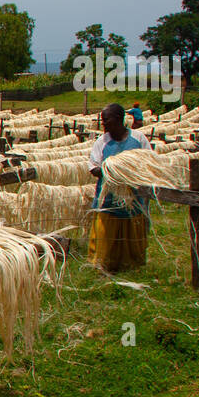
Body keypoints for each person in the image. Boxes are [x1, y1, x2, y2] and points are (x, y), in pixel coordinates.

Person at [88, 103, 151, 272]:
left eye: (106, 120)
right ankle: (103, 265)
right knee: (104, 237)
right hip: (107, 200)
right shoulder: (102, 142)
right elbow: (93, 167)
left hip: (134, 199)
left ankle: (132, 267)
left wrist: (129, 172)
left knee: (132, 236)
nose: (103, 124)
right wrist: (112, 171)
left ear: (118, 119)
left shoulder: (138, 139)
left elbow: (148, 162)